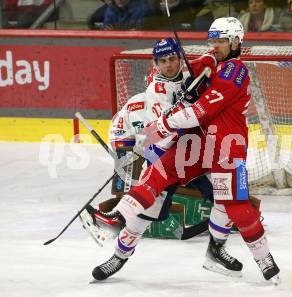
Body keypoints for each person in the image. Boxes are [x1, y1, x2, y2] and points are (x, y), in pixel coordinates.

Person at [92, 17, 280, 284]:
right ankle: (118, 250)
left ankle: (221, 252)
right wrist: (153, 131)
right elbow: (143, 127)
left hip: (213, 147)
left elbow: (203, 90)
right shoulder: (153, 91)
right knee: (145, 213)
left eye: (173, 59)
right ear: (154, 65)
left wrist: (190, 93)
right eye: (163, 61)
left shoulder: (203, 72)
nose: (169, 65)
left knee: (229, 203)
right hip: (176, 151)